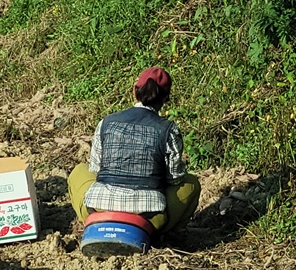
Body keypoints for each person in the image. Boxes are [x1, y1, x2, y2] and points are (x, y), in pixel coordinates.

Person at [69, 67, 201, 247]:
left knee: (79, 171)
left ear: (134, 91)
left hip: (98, 208)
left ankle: (92, 225)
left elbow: (96, 168)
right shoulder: (168, 130)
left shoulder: (107, 122)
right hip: (150, 215)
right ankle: (165, 237)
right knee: (191, 183)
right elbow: (175, 178)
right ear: (165, 99)